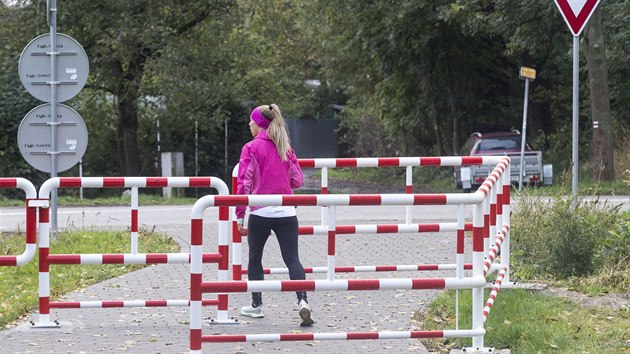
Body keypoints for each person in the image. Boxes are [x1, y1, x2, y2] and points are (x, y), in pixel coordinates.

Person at [235, 104, 314, 326]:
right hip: (287, 211)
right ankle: (303, 302)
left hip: (261, 211)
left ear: (259, 124)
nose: (249, 124)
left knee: (254, 258)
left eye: (251, 121)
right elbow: (298, 180)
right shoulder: (285, 147)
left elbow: (243, 184)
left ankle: (257, 305)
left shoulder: (250, 148)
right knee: (292, 259)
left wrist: (239, 215)